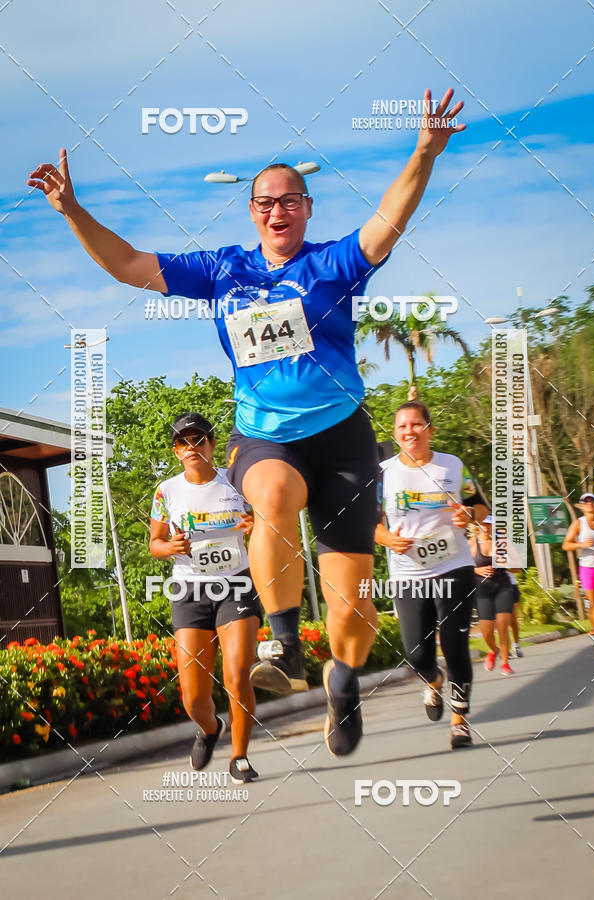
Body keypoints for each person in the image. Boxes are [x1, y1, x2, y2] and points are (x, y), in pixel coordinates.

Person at [28, 88, 465, 756]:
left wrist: (424, 154)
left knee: (351, 612)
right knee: (271, 497)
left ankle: (342, 679)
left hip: (342, 437)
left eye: (291, 200)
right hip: (265, 434)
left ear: (306, 209)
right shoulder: (223, 270)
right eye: (266, 201)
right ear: (253, 212)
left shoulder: (333, 264)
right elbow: (126, 265)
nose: (279, 210)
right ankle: (284, 644)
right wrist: (72, 211)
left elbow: (388, 222)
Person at [149, 412, 262, 783]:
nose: (192, 447)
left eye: (199, 440)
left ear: (212, 445)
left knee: (237, 673)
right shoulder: (165, 491)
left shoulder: (237, 482)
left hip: (236, 585)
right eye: (184, 442)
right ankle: (210, 728)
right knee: (192, 697)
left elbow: (262, 522)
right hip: (189, 590)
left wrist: (255, 524)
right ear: (176, 451)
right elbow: (155, 543)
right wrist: (170, 546)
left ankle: (240, 756)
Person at [376, 402, 488, 749]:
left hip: (453, 566)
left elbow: (480, 508)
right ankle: (434, 681)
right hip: (408, 573)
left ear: (429, 429)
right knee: (417, 655)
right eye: (403, 427)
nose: (410, 431)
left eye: (417, 425)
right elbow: (368, 522)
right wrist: (385, 537)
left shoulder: (452, 466)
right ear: (395, 434)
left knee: (455, 645)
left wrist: (469, 515)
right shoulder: (383, 473)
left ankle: (460, 721)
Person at [470, 515, 517, 675]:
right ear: (477, 525)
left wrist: (507, 564)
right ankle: (493, 650)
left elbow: (517, 567)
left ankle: (505, 663)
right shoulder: (472, 543)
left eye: (489, 524)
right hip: (482, 591)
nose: (486, 527)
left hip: (503, 587)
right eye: (483, 524)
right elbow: (463, 567)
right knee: (487, 630)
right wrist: (477, 570)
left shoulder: (503, 542)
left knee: (503, 626)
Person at [562, 492, 594, 656]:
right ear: (582, 505)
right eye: (586, 501)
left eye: (592, 501)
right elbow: (566, 545)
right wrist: (582, 544)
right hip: (587, 568)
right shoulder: (578, 523)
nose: (589, 503)